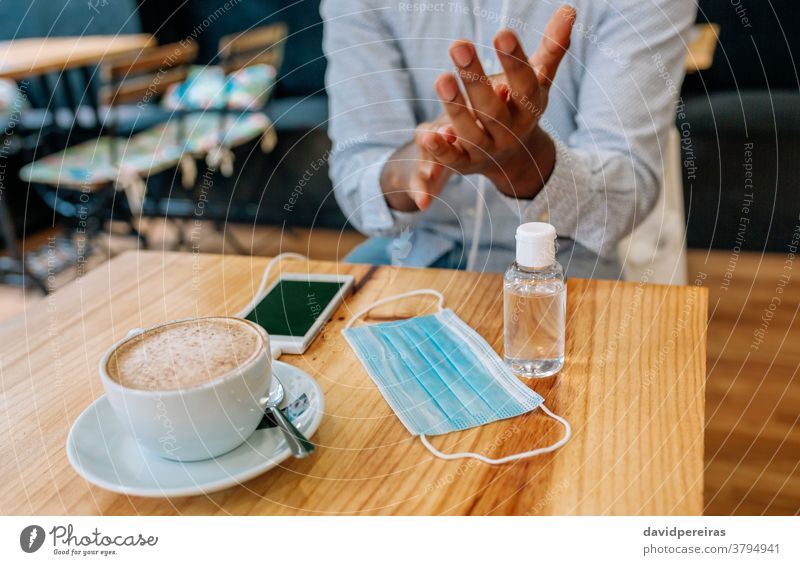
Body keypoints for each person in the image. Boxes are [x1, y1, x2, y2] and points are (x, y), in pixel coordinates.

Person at [322, 0, 695, 277]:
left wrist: (520, 163)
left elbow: (623, 196)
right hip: (413, 255)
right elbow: (359, 171)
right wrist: (421, 160)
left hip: (564, 271)